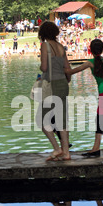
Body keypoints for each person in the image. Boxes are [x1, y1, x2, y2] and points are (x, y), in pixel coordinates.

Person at [37, 21, 71, 161]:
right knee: (62, 121)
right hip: (63, 84)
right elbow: (67, 68)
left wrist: (40, 68)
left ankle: (57, 149)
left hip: (51, 85)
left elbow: (44, 68)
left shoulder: (45, 46)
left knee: (41, 120)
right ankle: (66, 153)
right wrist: (67, 80)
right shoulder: (61, 47)